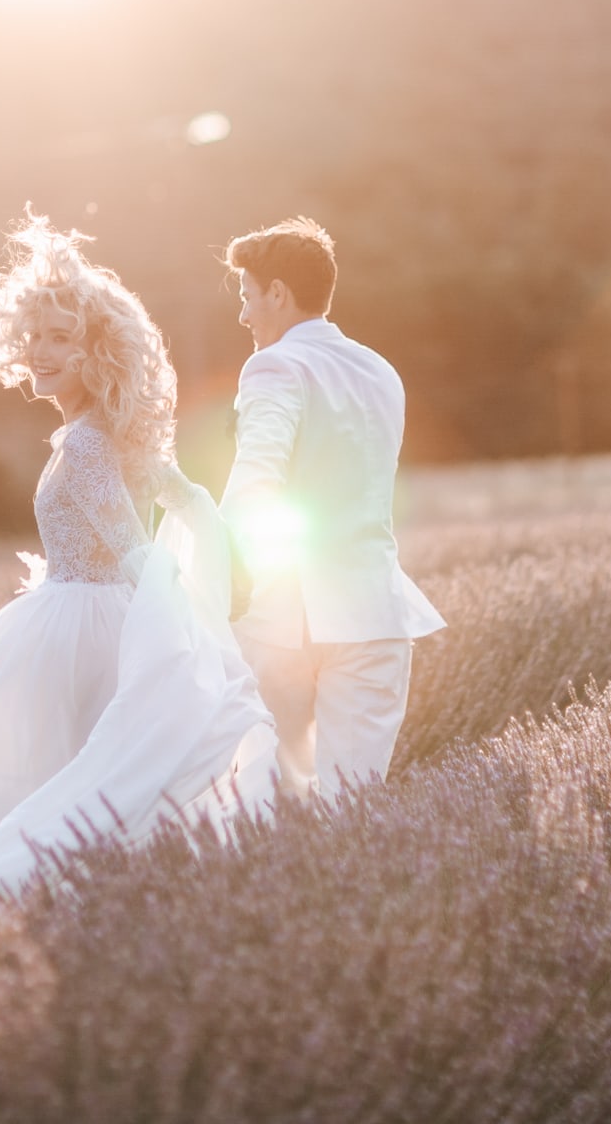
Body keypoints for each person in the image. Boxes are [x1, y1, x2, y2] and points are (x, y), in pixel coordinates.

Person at [0, 215, 275, 955]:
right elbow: (188, 497)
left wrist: (190, 640)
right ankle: (78, 935)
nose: (40, 351)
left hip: (83, 631)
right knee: (68, 795)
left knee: (50, 788)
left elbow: (133, 549)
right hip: (86, 619)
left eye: (60, 339)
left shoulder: (94, 442)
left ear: (96, 352)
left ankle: (41, 940)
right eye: (33, 336)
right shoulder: (104, 433)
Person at [220, 216, 445, 801]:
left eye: (248, 296)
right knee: (353, 810)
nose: (244, 315)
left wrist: (222, 576)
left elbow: (254, 485)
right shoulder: (381, 371)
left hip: (285, 620)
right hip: (376, 615)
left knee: (263, 802)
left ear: (277, 293)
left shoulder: (275, 365)